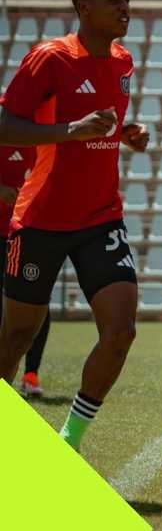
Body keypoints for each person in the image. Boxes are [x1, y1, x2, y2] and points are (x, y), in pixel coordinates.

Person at [0, 0, 149, 452]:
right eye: (115, 1)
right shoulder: (50, 58)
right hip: (40, 218)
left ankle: (70, 439)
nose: (125, 9)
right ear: (84, 7)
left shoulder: (124, 61)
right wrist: (70, 130)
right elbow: (6, 124)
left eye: (127, 0)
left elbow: (101, 123)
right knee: (18, 334)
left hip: (101, 217)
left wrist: (128, 134)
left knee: (121, 330)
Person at [0, 144, 49, 398]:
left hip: (30, 233)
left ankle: (31, 374)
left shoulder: (41, 141)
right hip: (2, 233)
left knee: (39, 305)